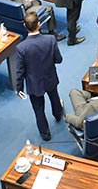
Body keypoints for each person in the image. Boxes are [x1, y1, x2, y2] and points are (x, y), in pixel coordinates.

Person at [16, 11, 64, 141]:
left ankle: (45, 134)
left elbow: (19, 70)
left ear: (24, 25)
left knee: (38, 109)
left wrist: (19, 88)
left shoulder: (21, 47)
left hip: (34, 83)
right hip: (50, 77)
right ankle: (58, 115)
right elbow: (59, 59)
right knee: (55, 98)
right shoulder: (51, 39)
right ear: (39, 24)